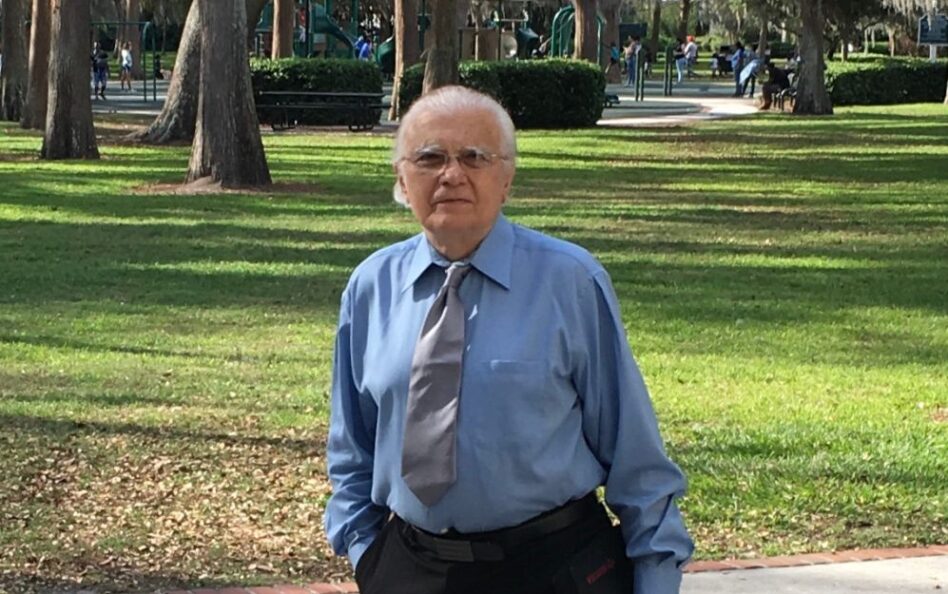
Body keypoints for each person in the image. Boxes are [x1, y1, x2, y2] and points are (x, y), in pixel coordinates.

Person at [324, 85, 693, 594]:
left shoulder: (570, 281)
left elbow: (635, 456)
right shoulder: (371, 286)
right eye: (430, 158)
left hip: (552, 567)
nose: (452, 174)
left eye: (475, 157)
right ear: (402, 179)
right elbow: (352, 448)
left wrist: (655, 579)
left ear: (507, 178)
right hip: (412, 568)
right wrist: (367, 556)